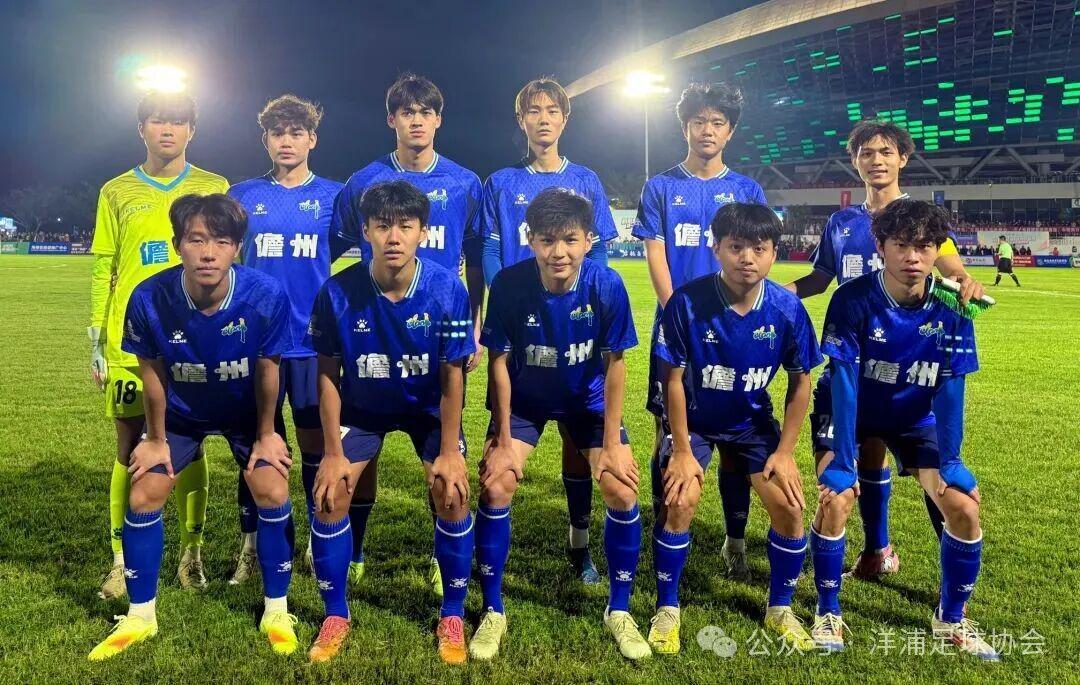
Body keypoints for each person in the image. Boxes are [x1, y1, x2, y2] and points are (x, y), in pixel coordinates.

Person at [89, 194, 298, 660]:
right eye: (196, 240)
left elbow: (270, 370)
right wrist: (155, 439)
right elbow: (152, 374)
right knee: (145, 491)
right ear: (177, 245)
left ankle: (277, 610)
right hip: (180, 415)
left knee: (271, 487)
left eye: (221, 242)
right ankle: (140, 615)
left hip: (245, 413)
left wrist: (267, 434)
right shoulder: (149, 297)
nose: (208, 253)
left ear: (237, 248)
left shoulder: (265, 294)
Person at [785, 120, 984, 581]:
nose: (876, 160)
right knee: (867, 453)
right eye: (867, 153)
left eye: (886, 152)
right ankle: (877, 550)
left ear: (903, 159)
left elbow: (951, 271)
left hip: (905, 353)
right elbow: (820, 279)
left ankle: (949, 565)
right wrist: (776, 293)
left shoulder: (917, 219)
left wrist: (966, 281)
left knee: (932, 468)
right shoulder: (841, 223)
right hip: (855, 353)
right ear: (855, 161)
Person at [810, 199, 997, 660]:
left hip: (914, 417)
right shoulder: (851, 299)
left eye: (924, 246)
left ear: (938, 250)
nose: (913, 257)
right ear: (880, 247)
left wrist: (951, 461)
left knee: (963, 508)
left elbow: (951, 386)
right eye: (901, 246)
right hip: (850, 410)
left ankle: (951, 617)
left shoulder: (956, 307)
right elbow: (845, 382)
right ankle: (827, 610)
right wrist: (845, 461)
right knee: (837, 498)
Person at [471, 188, 648, 661]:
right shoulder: (508, 284)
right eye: (547, 240)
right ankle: (493, 610)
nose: (559, 252)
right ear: (530, 240)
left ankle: (619, 609)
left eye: (570, 240)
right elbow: (499, 363)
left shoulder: (606, 284)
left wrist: (613, 442)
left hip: (585, 402)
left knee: (621, 489)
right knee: (496, 484)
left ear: (589, 240)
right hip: (525, 402)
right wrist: (502, 437)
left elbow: (615, 365)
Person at [307, 181, 475, 664]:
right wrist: (332, 453)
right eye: (382, 226)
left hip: (428, 411)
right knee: (329, 494)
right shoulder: (337, 292)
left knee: (452, 491)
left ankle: (452, 614)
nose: (394, 237)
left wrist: (449, 451)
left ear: (423, 231)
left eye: (405, 226)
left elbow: (452, 377)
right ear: (366, 232)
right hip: (362, 410)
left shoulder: (447, 289)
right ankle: (335, 615)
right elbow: (327, 375)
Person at [328, 74, 483, 591]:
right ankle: (354, 548)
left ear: (438, 119)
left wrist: (474, 324)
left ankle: (444, 555)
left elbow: (477, 258)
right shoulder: (363, 181)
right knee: (361, 449)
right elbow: (334, 249)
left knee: (443, 456)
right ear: (391, 119)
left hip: (437, 332)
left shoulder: (465, 182)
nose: (416, 120)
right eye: (406, 112)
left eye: (425, 112)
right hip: (374, 330)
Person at [648, 203, 822, 654]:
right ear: (717, 249)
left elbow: (802, 381)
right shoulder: (687, 303)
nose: (747, 258)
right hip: (694, 423)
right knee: (680, 499)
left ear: (774, 253)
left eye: (759, 249)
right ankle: (667, 608)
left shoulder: (787, 308)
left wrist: (784, 452)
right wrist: (681, 449)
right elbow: (672, 381)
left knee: (790, 507)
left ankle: (780, 608)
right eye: (736, 247)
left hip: (751, 425)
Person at [479, 76, 620, 585]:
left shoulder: (586, 179)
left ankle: (579, 543)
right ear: (521, 120)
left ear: (565, 119)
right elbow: (490, 248)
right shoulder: (501, 183)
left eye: (552, 110)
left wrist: (587, 301)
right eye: (533, 111)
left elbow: (600, 253)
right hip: (522, 327)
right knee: (504, 441)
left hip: (575, 326)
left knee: (578, 440)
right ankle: (485, 558)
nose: (543, 119)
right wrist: (511, 302)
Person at [89, 91, 229, 600]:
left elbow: (229, 264)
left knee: (191, 446)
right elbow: (103, 266)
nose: (167, 130)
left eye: (177, 121)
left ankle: (191, 554)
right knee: (129, 449)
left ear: (192, 129)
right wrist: (96, 339)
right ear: (141, 128)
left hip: (195, 342)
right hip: (131, 343)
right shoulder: (116, 191)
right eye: (157, 121)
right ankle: (120, 560)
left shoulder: (214, 187)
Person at [632, 82, 768, 582]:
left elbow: (757, 261)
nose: (707, 130)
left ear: (730, 131)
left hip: (733, 332)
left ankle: (735, 541)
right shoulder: (660, 187)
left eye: (717, 122)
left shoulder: (748, 190)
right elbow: (656, 256)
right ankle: (662, 526)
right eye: (698, 122)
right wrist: (677, 315)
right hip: (677, 328)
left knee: (735, 438)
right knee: (668, 431)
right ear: (684, 127)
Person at [227, 94, 343, 585]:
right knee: (256, 447)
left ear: (312, 139)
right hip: (257, 346)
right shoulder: (242, 195)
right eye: (278, 133)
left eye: (297, 133)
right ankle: (251, 546)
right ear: (266, 140)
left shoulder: (336, 197)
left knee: (317, 446)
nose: (287, 142)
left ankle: (318, 541)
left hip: (313, 346)